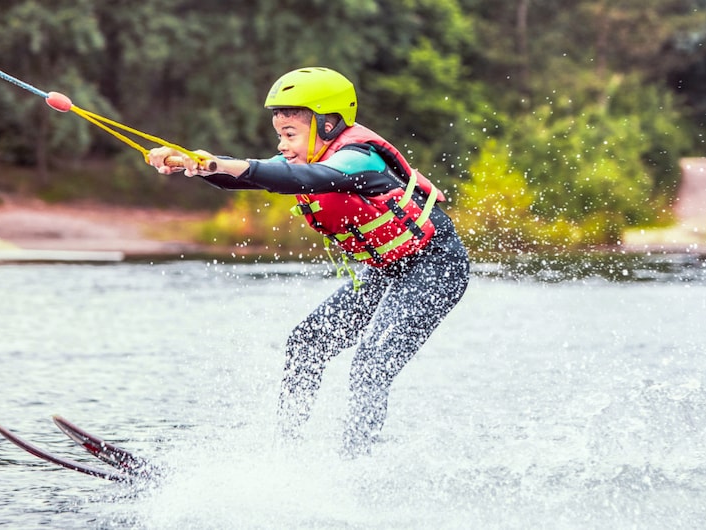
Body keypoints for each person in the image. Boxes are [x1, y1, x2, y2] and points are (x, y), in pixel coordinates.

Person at [147, 67, 470, 457]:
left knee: (371, 363)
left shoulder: (357, 158)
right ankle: (286, 456)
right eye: (279, 135)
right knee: (306, 344)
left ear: (329, 125)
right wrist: (192, 164)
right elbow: (254, 175)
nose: (282, 145)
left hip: (435, 266)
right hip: (386, 269)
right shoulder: (309, 156)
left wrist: (221, 163)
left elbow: (304, 178)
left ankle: (356, 467)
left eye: (289, 135)